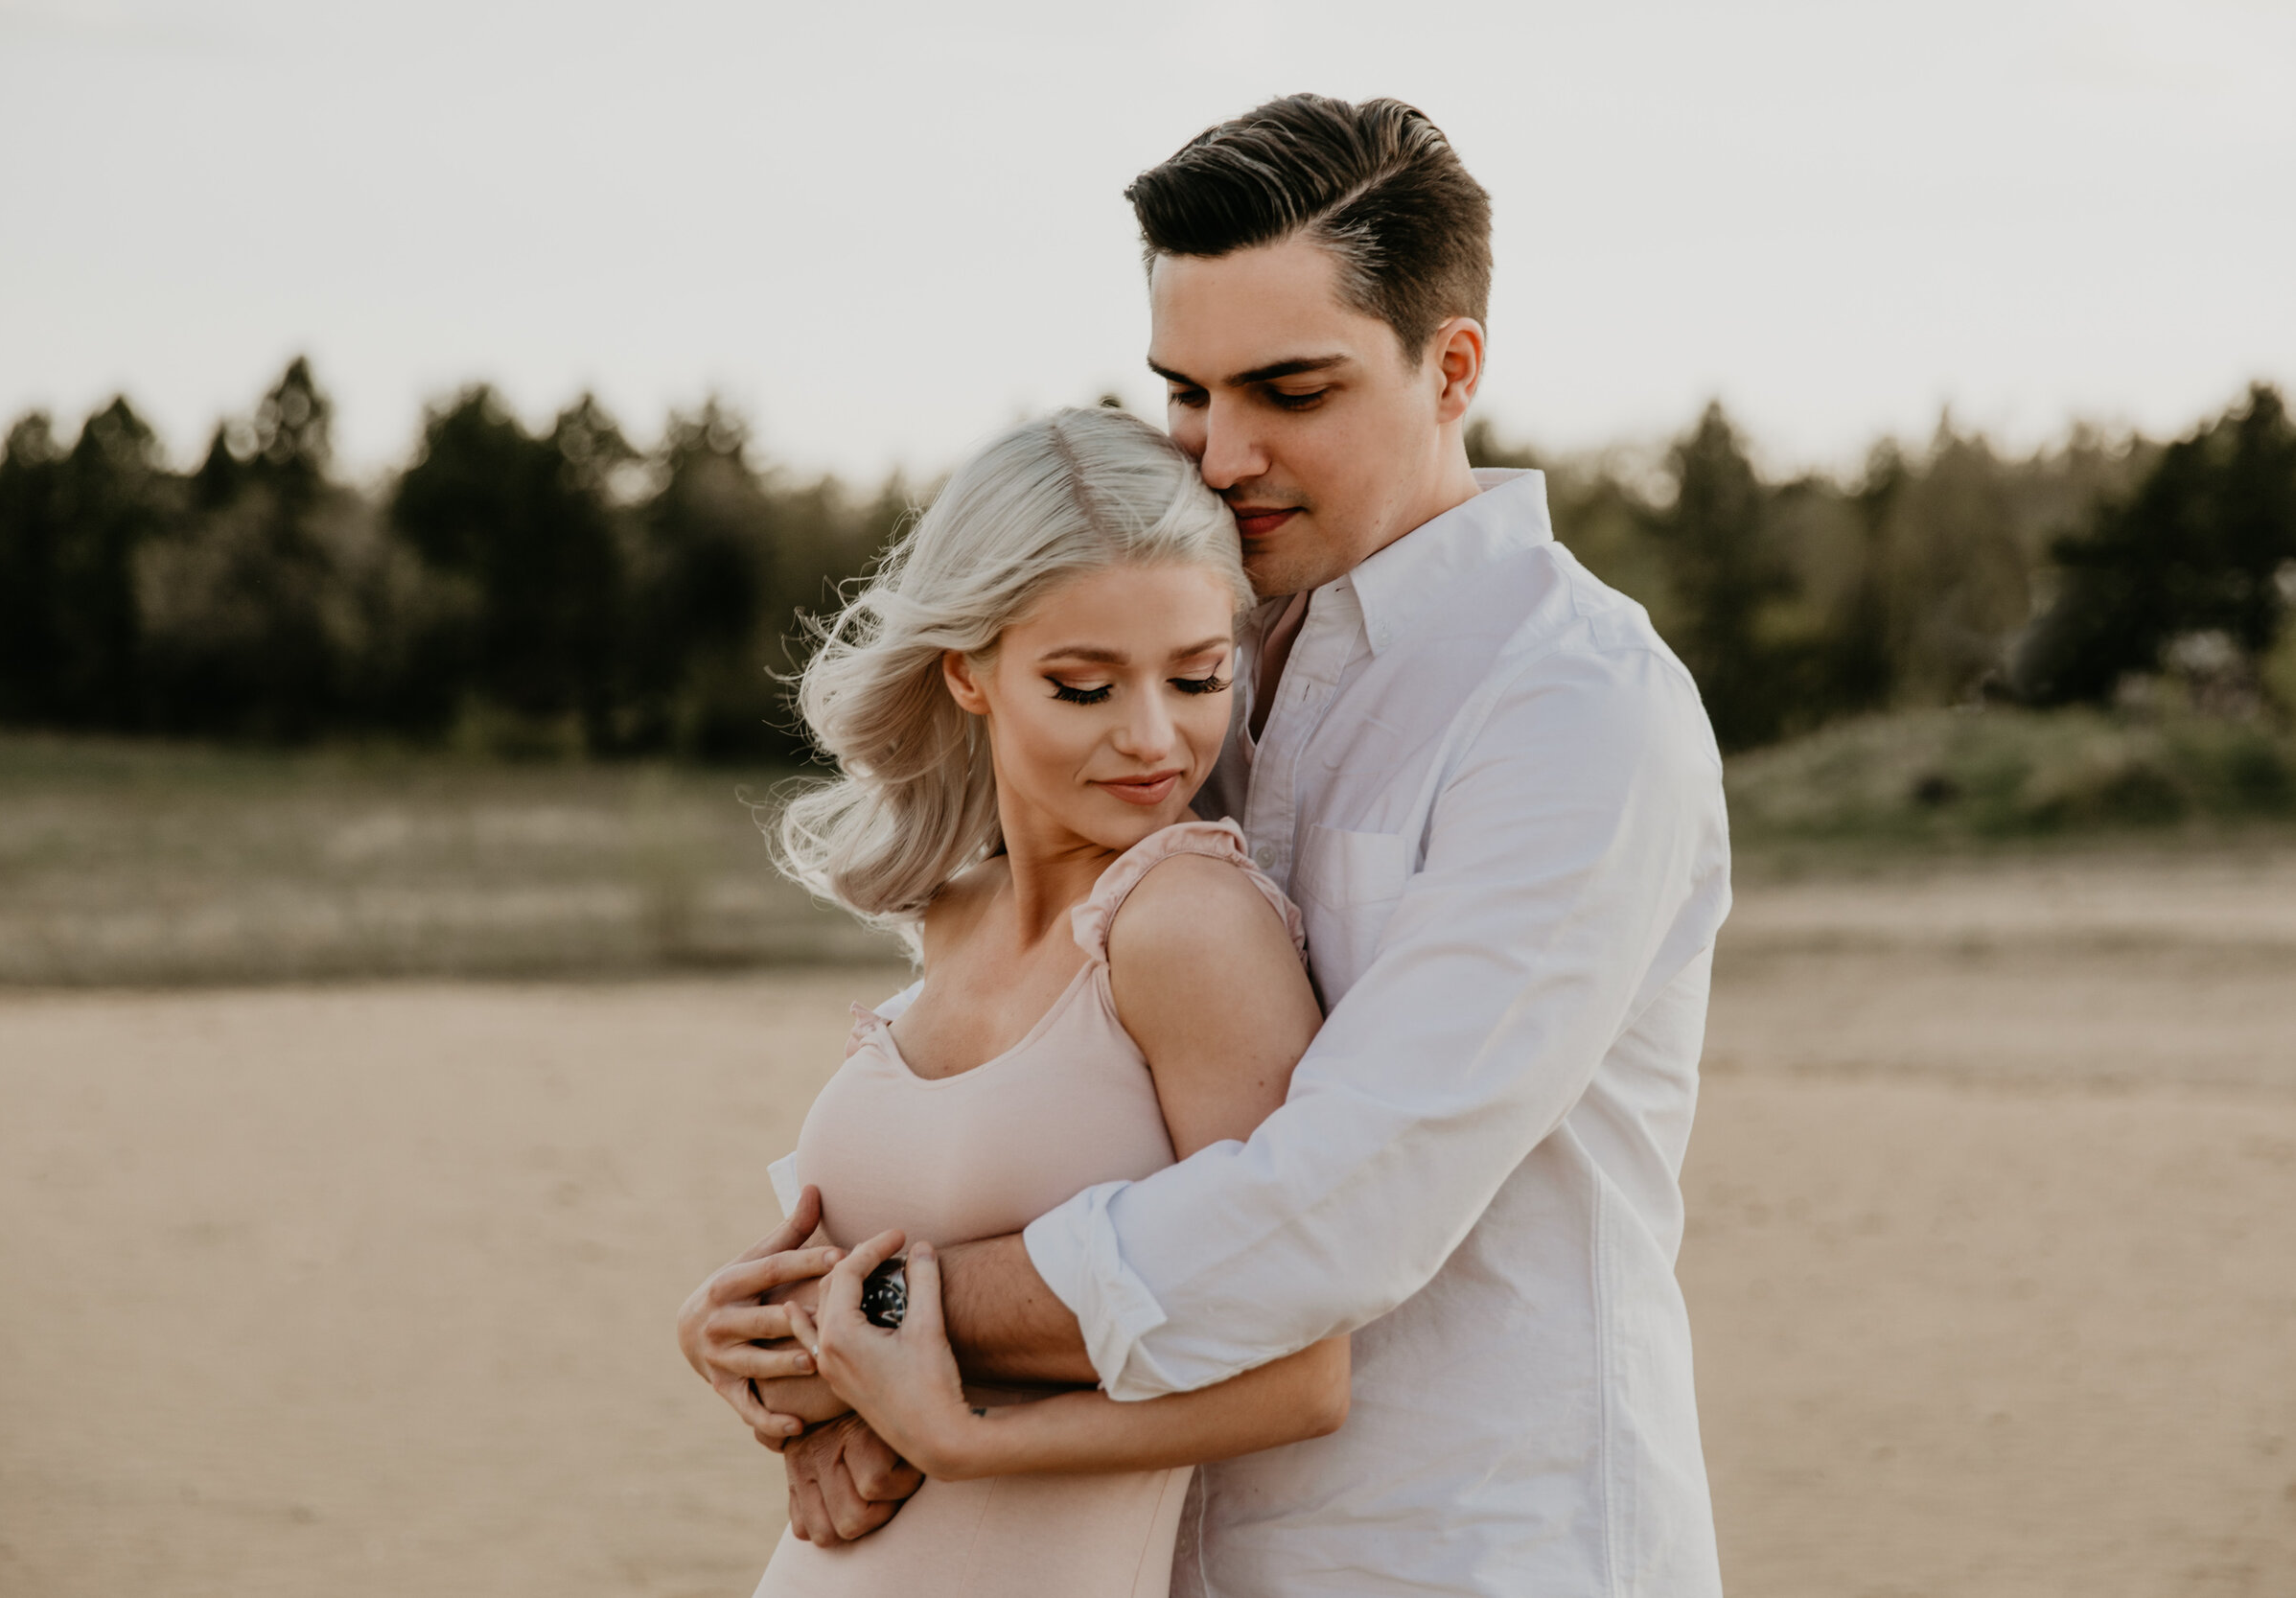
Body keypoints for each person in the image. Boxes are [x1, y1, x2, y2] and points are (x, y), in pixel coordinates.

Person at [686, 94, 1731, 1596]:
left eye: (1290, 391)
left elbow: (1345, 1196)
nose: (1222, 452)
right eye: (1187, 391)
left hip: (1465, 1544)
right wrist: (783, 1329)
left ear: (1454, 368)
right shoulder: (1188, 655)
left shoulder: (1574, 709)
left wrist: (883, 1309)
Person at [696, 405, 1346, 1596]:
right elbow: (867, 1288)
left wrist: (965, 1438)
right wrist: (743, 1340)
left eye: (1199, 675)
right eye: (1084, 686)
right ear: (969, 672)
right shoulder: (951, 916)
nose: (1156, 739)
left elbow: (1302, 1372)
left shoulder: (1188, 924)